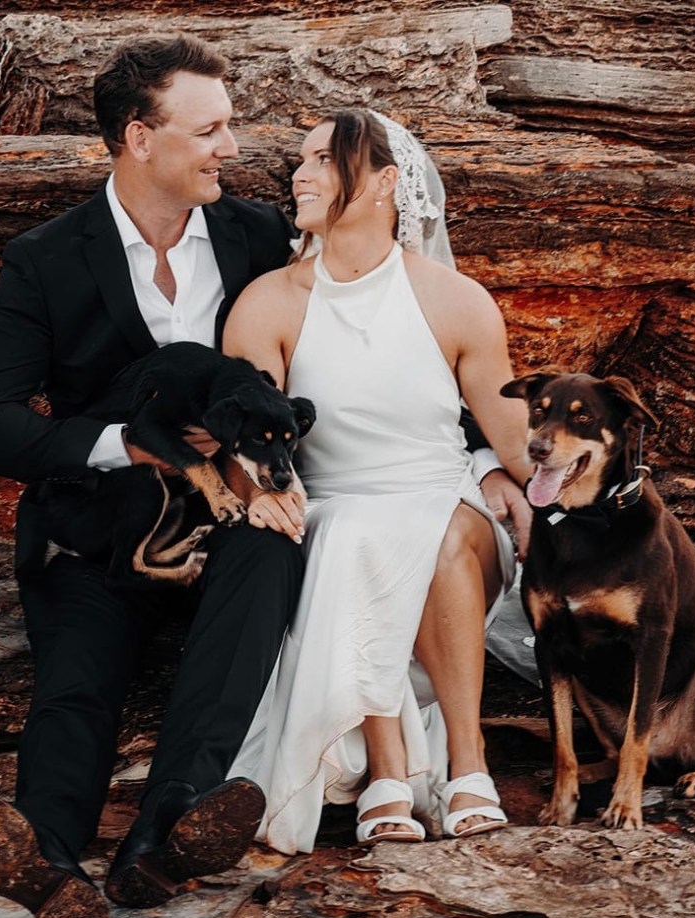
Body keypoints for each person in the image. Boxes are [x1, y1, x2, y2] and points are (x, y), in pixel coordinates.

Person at [0, 34, 306, 918]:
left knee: (271, 554)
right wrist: (125, 447)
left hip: (229, 518)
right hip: (93, 524)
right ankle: (48, 862)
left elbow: (372, 342)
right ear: (140, 137)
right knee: (78, 680)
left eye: (228, 127)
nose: (230, 148)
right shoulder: (47, 257)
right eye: (209, 130)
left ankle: (167, 833)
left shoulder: (262, 237)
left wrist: (482, 463)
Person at [224, 110, 533, 854]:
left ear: (386, 181)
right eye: (300, 161)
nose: (300, 175)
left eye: (324, 160)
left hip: (448, 503)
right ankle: (389, 772)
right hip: (334, 507)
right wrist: (261, 492)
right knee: (359, 534)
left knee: (439, 534)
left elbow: (518, 442)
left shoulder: (456, 300)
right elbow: (245, 441)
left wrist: (505, 477)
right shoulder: (268, 302)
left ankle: (467, 763)